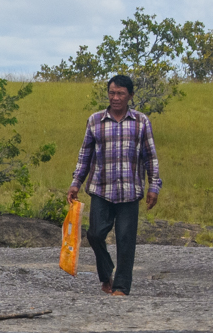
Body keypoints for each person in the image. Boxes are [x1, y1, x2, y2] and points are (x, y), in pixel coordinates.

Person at [66, 74, 161, 297]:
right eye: (112, 93)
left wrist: (153, 186)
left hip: (130, 191)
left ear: (130, 96)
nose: (115, 97)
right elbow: (85, 155)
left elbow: (150, 156)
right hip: (101, 188)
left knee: (126, 240)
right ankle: (106, 272)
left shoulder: (141, 122)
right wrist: (75, 183)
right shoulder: (95, 121)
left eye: (120, 93)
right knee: (95, 234)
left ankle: (121, 287)